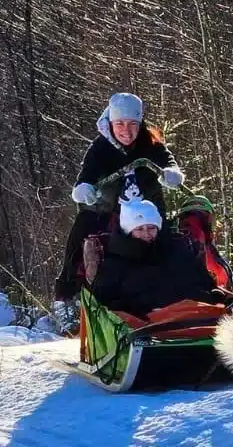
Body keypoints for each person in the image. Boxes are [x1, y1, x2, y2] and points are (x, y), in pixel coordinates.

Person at [54, 92, 186, 302]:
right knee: (82, 228)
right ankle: (68, 288)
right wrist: (84, 188)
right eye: (120, 124)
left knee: (167, 240)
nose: (127, 130)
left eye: (133, 124)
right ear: (111, 123)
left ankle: (174, 289)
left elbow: (166, 160)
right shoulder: (100, 147)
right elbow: (87, 173)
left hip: (147, 209)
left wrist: (171, 172)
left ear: (140, 123)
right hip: (110, 210)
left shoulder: (150, 142)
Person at [90, 197, 220, 318]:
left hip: (194, 315)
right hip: (146, 325)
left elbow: (204, 281)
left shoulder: (177, 249)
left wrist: (212, 295)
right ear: (128, 231)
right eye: (139, 229)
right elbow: (105, 303)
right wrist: (139, 309)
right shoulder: (115, 261)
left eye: (151, 228)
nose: (146, 233)